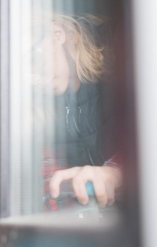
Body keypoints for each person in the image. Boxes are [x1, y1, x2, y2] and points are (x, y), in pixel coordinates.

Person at [32, 14, 122, 211]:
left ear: (58, 34)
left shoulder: (121, 62)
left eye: (33, 59)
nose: (33, 80)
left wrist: (115, 172)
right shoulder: (47, 110)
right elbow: (51, 187)